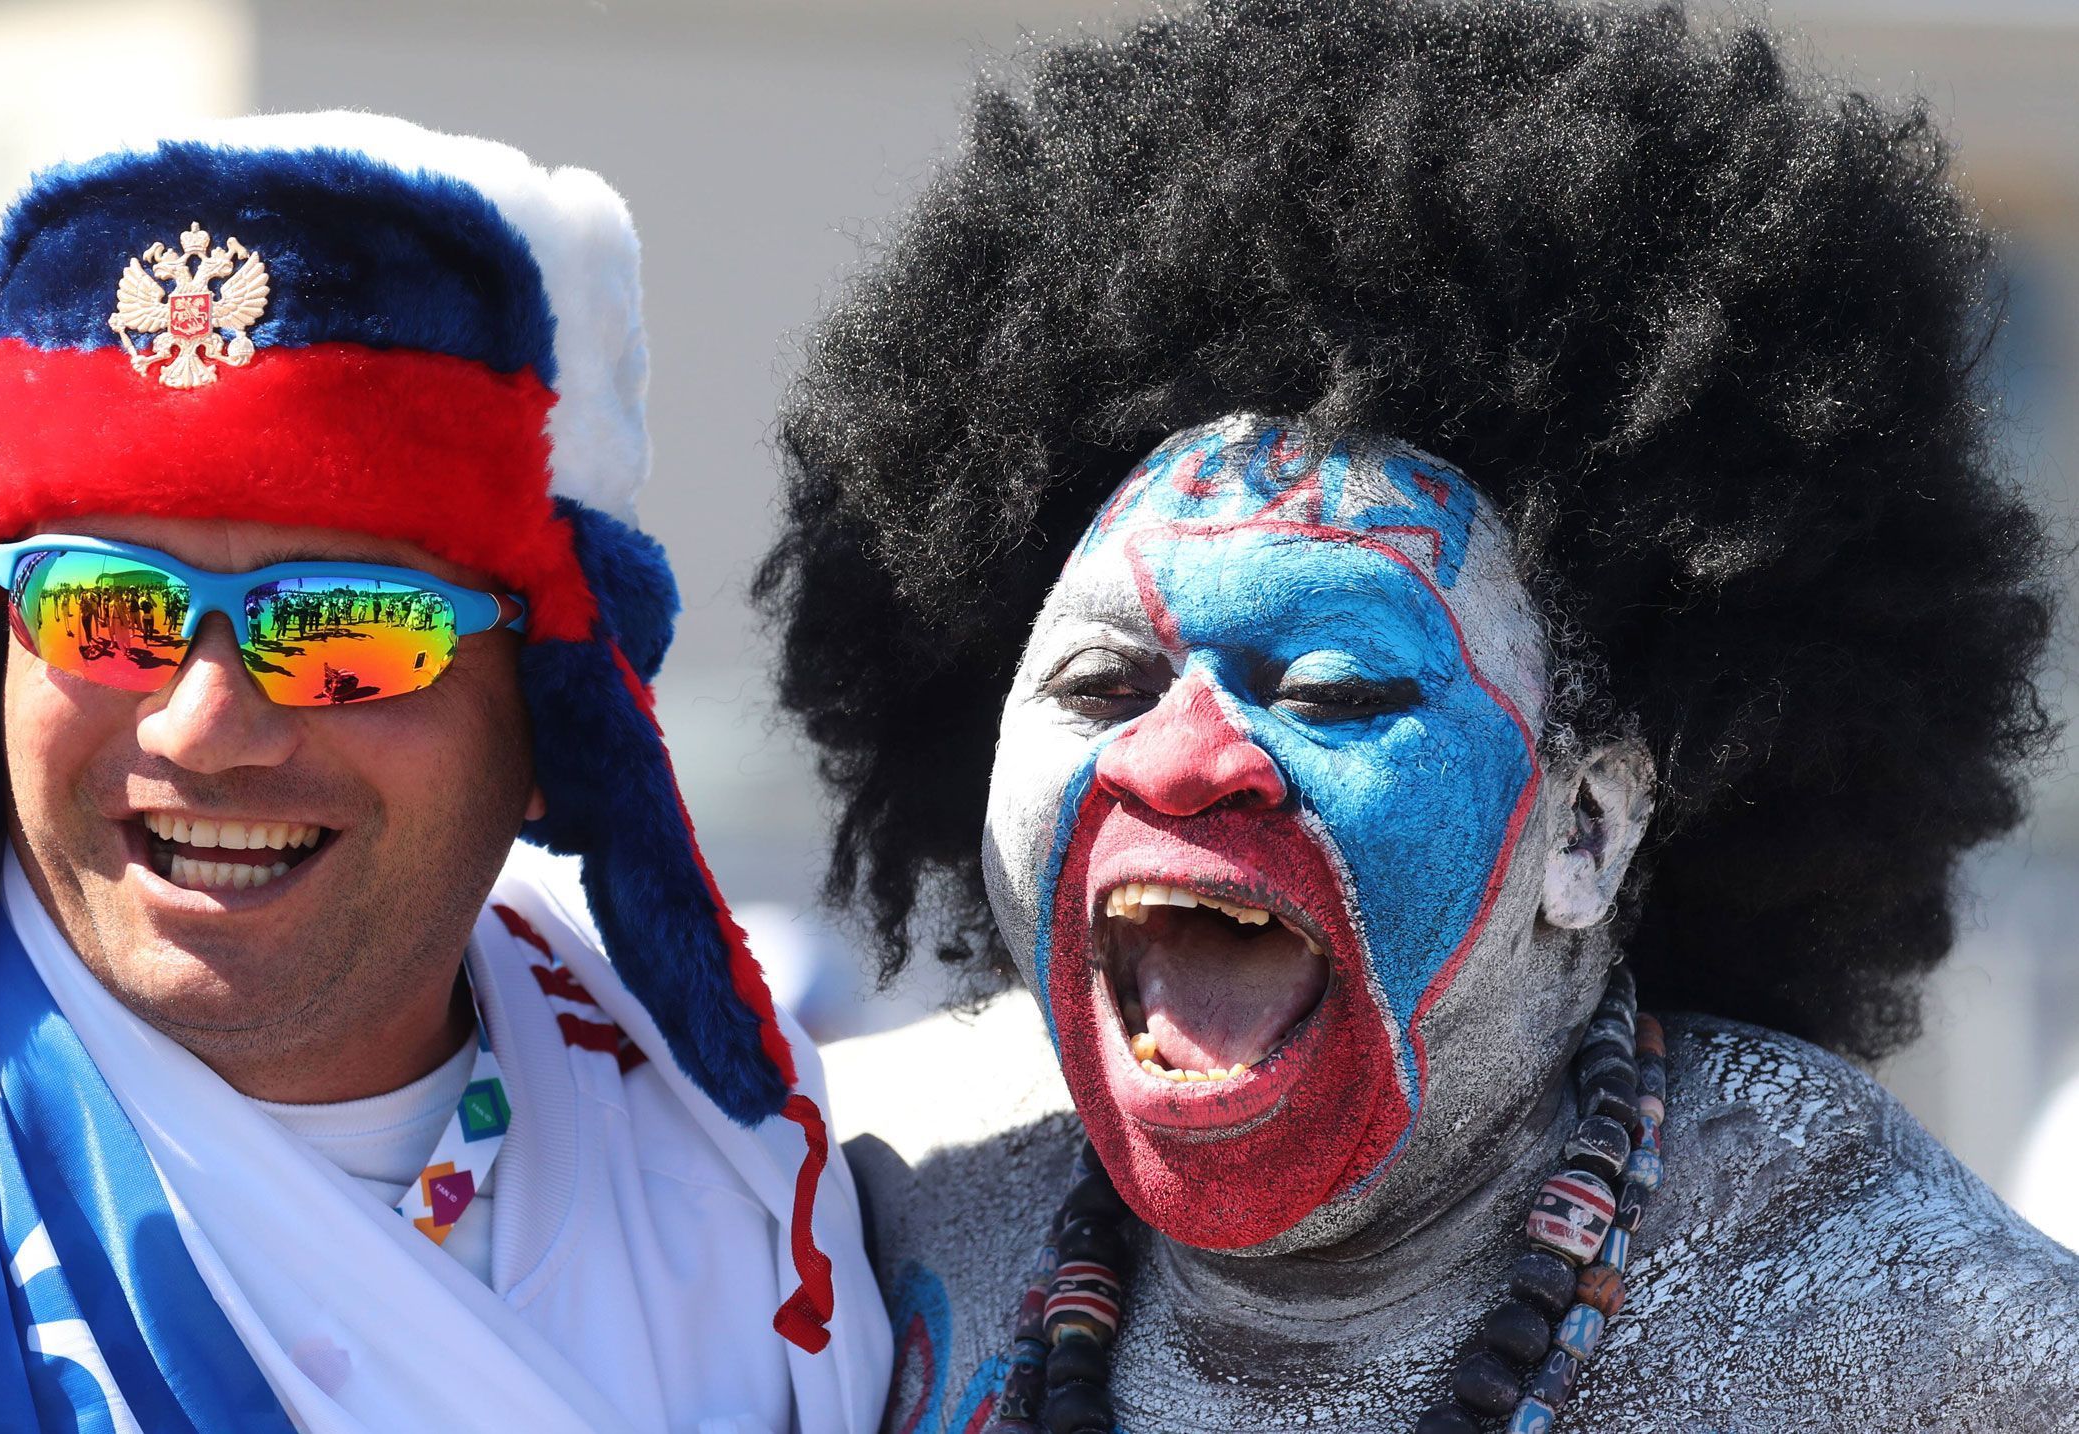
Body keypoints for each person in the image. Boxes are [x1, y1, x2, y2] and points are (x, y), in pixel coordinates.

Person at [756, 2, 2079, 1429]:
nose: (1183, 758)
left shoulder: (1918, 1344)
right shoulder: (853, 1226)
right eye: (1100, 686)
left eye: (1330, 692)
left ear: (1588, 826)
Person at [0, 113, 887, 1431]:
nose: (200, 726)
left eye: (349, 625)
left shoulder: (752, 1213)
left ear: (558, 722)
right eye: (106, 608)